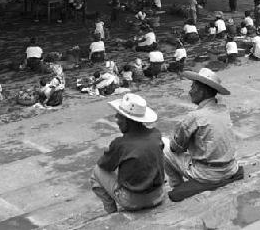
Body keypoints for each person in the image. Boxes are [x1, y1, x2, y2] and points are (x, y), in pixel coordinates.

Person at [163, 68, 240, 198]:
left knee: (164, 146)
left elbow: (175, 147)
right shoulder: (223, 110)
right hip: (230, 168)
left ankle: (176, 185)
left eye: (193, 87)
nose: (190, 91)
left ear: (202, 91)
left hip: (207, 174)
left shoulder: (194, 116)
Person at [90, 94, 165, 213]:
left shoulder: (120, 144)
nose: (116, 119)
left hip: (132, 201)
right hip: (158, 195)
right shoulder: (156, 134)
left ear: (127, 121)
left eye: (119, 116)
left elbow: (104, 165)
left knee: (96, 171)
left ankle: (111, 212)